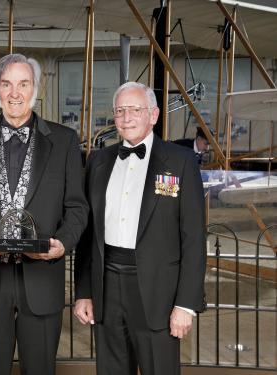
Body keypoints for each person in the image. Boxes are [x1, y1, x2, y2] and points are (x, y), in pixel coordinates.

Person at [0, 53, 88, 375]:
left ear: (35, 89)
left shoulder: (65, 141)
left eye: (23, 84)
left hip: (42, 279)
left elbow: (77, 208)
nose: (15, 93)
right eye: (7, 84)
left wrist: (63, 244)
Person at [74, 82, 206, 375]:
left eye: (135, 110)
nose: (127, 117)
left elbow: (194, 239)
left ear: (154, 115)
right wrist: (84, 291)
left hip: (158, 292)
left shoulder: (181, 161)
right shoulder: (98, 161)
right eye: (120, 111)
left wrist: (186, 305)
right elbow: (87, 235)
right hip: (106, 286)